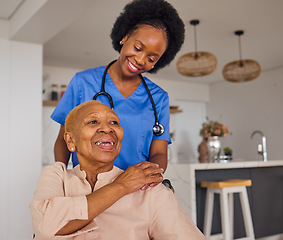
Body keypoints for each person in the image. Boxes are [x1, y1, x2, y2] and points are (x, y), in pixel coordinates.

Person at [51, 0, 185, 182]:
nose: (140, 59)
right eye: (138, 48)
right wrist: (60, 178)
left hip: (136, 189)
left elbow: (159, 152)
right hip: (87, 188)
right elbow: (63, 140)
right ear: (125, 37)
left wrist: (153, 174)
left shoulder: (158, 97)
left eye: (151, 58)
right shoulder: (83, 82)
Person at [30, 100, 205, 239]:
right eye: (93, 121)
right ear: (70, 141)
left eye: (114, 122)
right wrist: (121, 186)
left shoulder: (148, 190)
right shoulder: (57, 176)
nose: (107, 128)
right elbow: (47, 227)